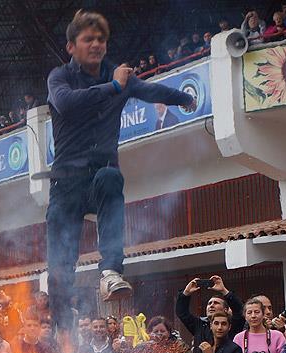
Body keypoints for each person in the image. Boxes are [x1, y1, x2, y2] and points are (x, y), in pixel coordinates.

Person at [45, 10, 195, 330]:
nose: (97, 44)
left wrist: (182, 97)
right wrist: (114, 87)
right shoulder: (60, 78)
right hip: (65, 184)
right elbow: (67, 103)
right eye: (89, 39)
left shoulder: (120, 77)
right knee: (60, 270)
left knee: (112, 177)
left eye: (101, 39)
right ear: (72, 46)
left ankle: (111, 270)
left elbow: (151, 91)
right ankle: (61, 333)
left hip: (98, 177)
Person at [176, 275, 245, 353]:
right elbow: (182, 313)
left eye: (216, 303)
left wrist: (224, 291)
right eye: (209, 303)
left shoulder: (231, 325)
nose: (211, 305)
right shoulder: (199, 325)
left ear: (226, 310)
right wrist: (186, 293)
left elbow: (239, 312)